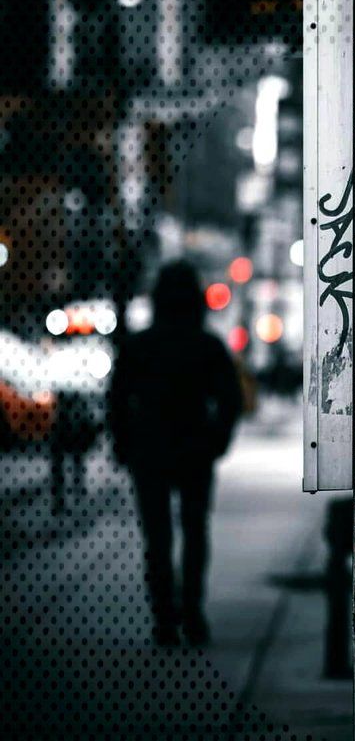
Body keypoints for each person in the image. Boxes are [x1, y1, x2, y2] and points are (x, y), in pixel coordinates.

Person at [109, 261, 242, 646]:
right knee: (195, 530)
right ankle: (193, 612)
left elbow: (118, 399)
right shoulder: (208, 345)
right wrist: (218, 441)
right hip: (194, 448)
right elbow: (230, 400)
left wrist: (122, 444)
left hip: (149, 450)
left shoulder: (139, 345)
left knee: (157, 537)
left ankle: (164, 617)